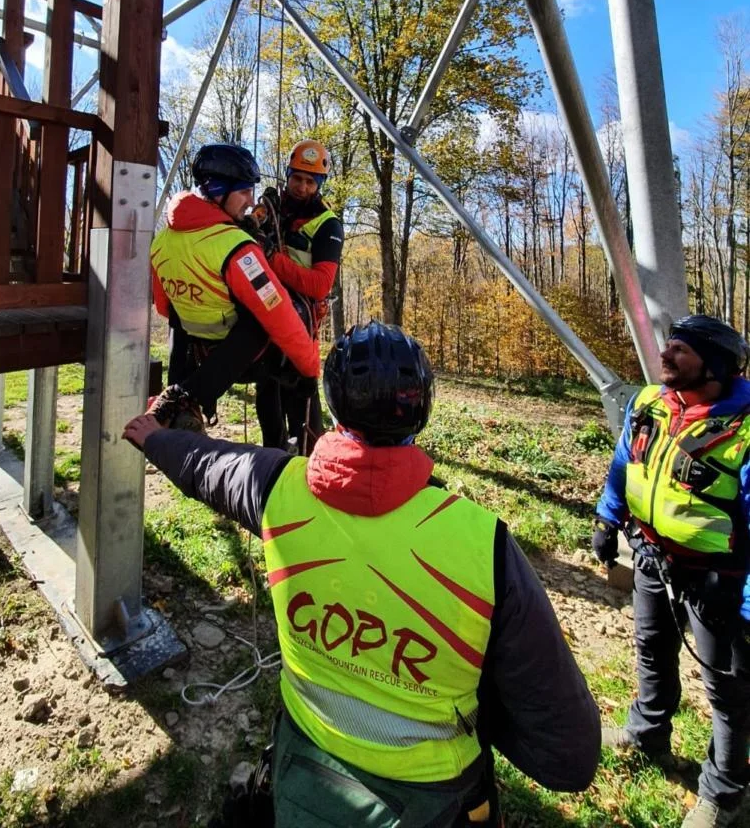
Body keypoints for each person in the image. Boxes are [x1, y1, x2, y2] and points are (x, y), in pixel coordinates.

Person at [126, 320, 600, 826]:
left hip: (303, 772)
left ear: (332, 406)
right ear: (422, 409)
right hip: (436, 799)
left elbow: (208, 465)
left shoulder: (276, 490)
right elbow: (569, 758)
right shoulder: (483, 544)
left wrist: (155, 438)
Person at [593, 314, 750, 828]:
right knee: (651, 648)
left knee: (727, 688)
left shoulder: (743, 428)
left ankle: (723, 792)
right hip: (652, 558)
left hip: (717, 579)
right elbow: (625, 462)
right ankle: (647, 732)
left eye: (680, 350)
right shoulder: (648, 404)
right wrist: (607, 514)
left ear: (716, 366)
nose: (665, 356)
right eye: (668, 346)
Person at [150, 144, 320, 432]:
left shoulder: (162, 242)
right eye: (243, 191)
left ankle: (179, 394)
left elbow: (164, 306)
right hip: (243, 361)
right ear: (217, 190)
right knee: (269, 325)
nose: (250, 200)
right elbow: (280, 316)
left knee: (179, 319)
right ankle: (188, 396)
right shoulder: (237, 249)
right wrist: (310, 368)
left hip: (194, 351)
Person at [254, 139, 345, 452]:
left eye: (310, 181)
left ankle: (310, 458)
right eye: (296, 178)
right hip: (266, 315)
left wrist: (273, 259)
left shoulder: (327, 224)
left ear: (319, 185)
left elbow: (320, 285)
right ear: (287, 175)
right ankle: (273, 457)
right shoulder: (272, 208)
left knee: (302, 393)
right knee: (267, 391)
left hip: (300, 321)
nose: (301, 187)